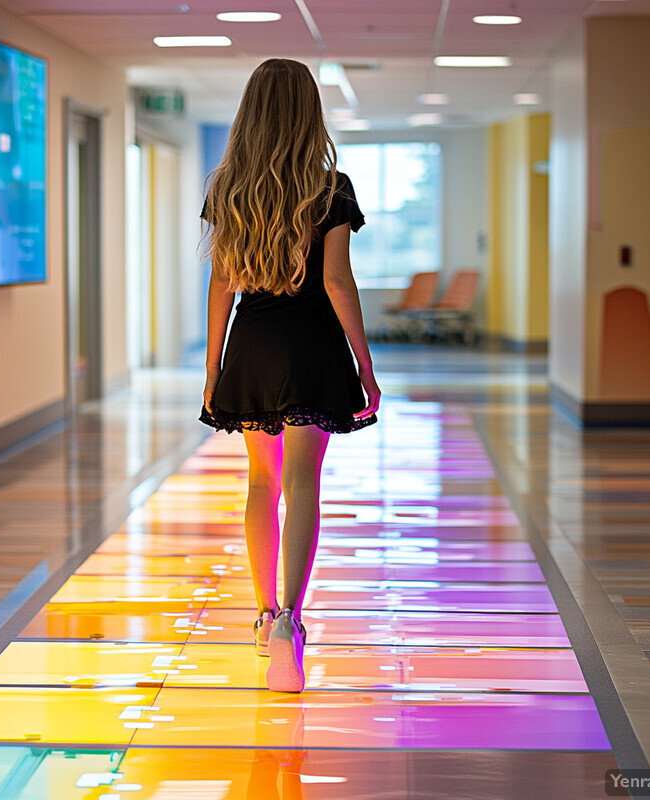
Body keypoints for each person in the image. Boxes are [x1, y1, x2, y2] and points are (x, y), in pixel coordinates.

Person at [199, 58, 380, 692]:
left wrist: (213, 364)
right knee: (304, 479)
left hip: (253, 341)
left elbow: (224, 282)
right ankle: (291, 626)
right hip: (313, 344)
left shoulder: (229, 187)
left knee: (261, 480)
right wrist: (364, 364)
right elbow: (336, 281)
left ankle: (262, 614)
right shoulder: (332, 189)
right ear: (309, 112)